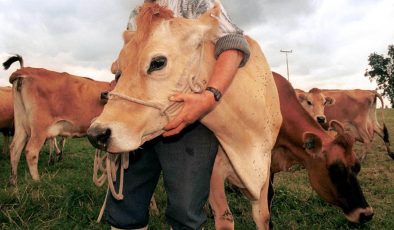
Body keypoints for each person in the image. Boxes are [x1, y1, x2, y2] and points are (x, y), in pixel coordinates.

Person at [105, 1, 250, 229]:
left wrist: (209, 97)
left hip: (189, 117)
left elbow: (232, 44)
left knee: (186, 209)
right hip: (139, 115)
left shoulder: (197, 2)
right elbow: (131, 60)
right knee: (126, 199)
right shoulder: (139, 11)